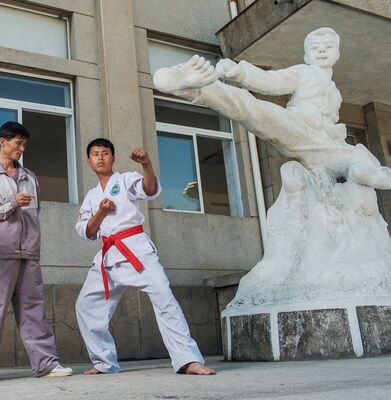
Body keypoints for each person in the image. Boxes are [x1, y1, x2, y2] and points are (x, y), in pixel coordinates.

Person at [152, 27, 391, 189]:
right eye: (315, 48)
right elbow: (273, 82)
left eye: (327, 47)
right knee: (252, 109)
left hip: (322, 145)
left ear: (338, 54)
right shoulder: (304, 72)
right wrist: (241, 73)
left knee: (351, 154)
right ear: (306, 57)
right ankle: (193, 87)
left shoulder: (336, 92)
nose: (321, 51)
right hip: (298, 126)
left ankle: (368, 171)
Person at [75, 138, 216, 376]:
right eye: (95, 154)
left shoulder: (125, 179)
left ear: (113, 158)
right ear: (89, 162)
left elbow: (149, 189)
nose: (100, 157)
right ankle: (104, 363)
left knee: (165, 299)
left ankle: (188, 360)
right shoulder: (91, 196)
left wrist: (146, 164)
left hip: (136, 251)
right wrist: (101, 211)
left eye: (105, 153)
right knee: (86, 306)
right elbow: (88, 232)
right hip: (108, 257)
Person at [0, 121, 72, 383]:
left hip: (28, 253)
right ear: (3, 142)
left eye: (24, 144)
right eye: (18, 143)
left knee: (34, 310)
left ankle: (46, 364)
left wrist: (33, 245)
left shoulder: (30, 177)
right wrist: (11, 202)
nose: (21, 148)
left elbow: (35, 216)